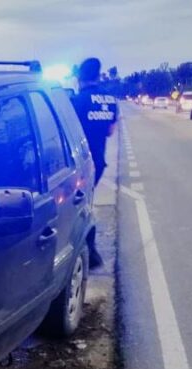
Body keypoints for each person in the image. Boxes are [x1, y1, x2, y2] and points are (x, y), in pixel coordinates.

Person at [71, 57, 118, 267]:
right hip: (97, 163)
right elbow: (110, 131)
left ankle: (88, 252)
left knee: (80, 208)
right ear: (98, 75)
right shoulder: (109, 99)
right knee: (87, 202)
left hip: (79, 164)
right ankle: (90, 251)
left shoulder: (77, 101)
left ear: (80, 77)